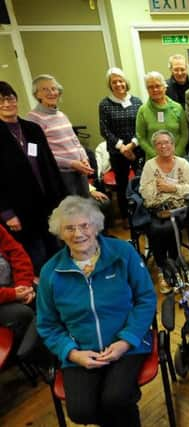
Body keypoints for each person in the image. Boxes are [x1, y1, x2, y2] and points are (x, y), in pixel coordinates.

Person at [36, 196, 156, 427]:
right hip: (81, 350)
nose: (78, 234)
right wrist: (71, 353)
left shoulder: (123, 253)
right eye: (69, 228)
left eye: (84, 225)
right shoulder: (50, 272)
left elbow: (146, 299)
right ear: (60, 233)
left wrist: (126, 341)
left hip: (128, 343)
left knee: (116, 398)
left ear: (96, 225)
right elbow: (47, 324)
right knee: (80, 412)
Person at [0, 81, 66, 275]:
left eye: (10, 99)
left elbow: (50, 165)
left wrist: (61, 199)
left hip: (46, 203)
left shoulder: (32, 129)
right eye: (1, 100)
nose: (7, 104)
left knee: (56, 247)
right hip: (18, 209)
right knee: (35, 255)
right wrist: (7, 213)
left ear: (16, 100)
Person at [139, 131, 189, 293]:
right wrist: (156, 186)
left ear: (173, 145)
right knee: (155, 228)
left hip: (178, 209)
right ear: (154, 147)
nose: (163, 146)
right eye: (159, 143)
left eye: (167, 142)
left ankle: (173, 265)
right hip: (156, 209)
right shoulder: (150, 166)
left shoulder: (183, 164)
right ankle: (163, 269)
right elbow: (144, 191)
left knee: (168, 227)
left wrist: (172, 188)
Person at [27, 74, 93, 197]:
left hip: (79, 170)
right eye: (45, 89)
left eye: (54, 88)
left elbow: (75, 140)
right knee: (71, 211)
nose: (51, 92)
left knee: (86, 207)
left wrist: (84, 158)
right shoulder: (33, 119)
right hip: (62, 175)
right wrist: (71, 163)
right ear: (37, 94)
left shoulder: (61, 115)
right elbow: (42, 154)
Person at [98, 67, 143, 223]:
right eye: (114, 82)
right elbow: (104, 130)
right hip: (117, 152)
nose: (118, 84)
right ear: (110, 85)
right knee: (123, 184)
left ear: (126, 82)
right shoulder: (104, 104)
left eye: (120, 80)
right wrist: (122, 147)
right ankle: (126, 217)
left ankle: (142, 214)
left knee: (141, 181)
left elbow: (142, 126)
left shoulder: (137, 102)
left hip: (137, 149)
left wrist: (132, 144)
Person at [136, 71, 189, 159]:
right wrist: (157, 156)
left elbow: (185, 134)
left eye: (158, 86)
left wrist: (176, 153)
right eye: (150, 87)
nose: (155, 90)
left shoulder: (177, 107)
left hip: (177, 158)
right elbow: (141, 137)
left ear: (164, 87)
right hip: (154, 160)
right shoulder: (143, 111)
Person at [0, 224, 35, 352]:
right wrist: (13, 294)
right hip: (3, 298)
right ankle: (41, 359)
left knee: (49, 294)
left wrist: (24, 284)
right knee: (23, 314)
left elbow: (16, 251)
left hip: (15, 285)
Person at [166, 54, 189, 158]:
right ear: (171, 70)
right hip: (175, 135)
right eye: (176, 70)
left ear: (187, 68)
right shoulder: (164, 88)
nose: (180, 73)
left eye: (182, 69)